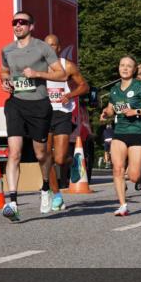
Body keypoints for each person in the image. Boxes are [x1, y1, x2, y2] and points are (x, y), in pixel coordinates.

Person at [0, 11, 68, 221]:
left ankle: (46, 186)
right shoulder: (7, 50)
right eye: (15, 22)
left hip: (39, 105)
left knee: (41, 154)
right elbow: (3, 71)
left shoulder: (42, 47)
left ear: (31, 26)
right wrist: (5, 81)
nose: (18, 25)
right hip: (16, 104)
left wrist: (38, 74)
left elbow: (61, 73)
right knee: (14, 153)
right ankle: (12, 202)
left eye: (23, 22)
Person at [100, 56, 141, 216]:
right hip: (119, 132)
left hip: (138, 132)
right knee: (117, 169)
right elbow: (111, 108)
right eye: (122, 65)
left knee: (133, 176)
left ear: (134, 70)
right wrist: (106, 113)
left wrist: (136, 111)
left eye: (129, 66)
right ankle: (123, 205)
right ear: (118, 68)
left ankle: (139, 176)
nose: (125, 68)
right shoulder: (114, 89)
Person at [43, 34, 90, 211]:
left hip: (62, 113)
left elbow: (84, 86)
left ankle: (74, 162)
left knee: (60, 158)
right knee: (46, 157)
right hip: (44, 114)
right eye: (47, 46)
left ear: (58, 47)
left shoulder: (67, 66)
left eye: (53, 45)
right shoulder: (37, 66)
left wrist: (69, 95)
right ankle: (56, 195)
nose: (50, 49)